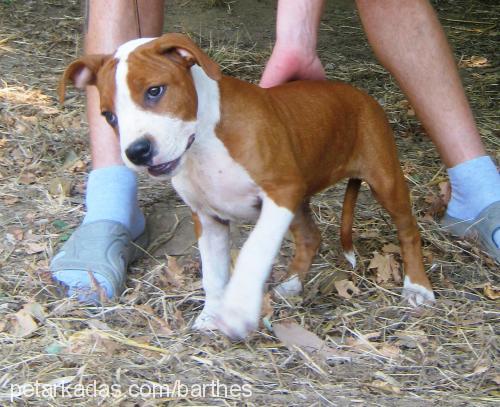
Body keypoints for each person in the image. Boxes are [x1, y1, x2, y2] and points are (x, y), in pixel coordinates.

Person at [51, 0, 500, 303]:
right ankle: (111, 204)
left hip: (352, 123)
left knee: (387, 198)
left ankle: (472, 189)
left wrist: (297, 37)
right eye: (115, 116)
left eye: (151, 93)